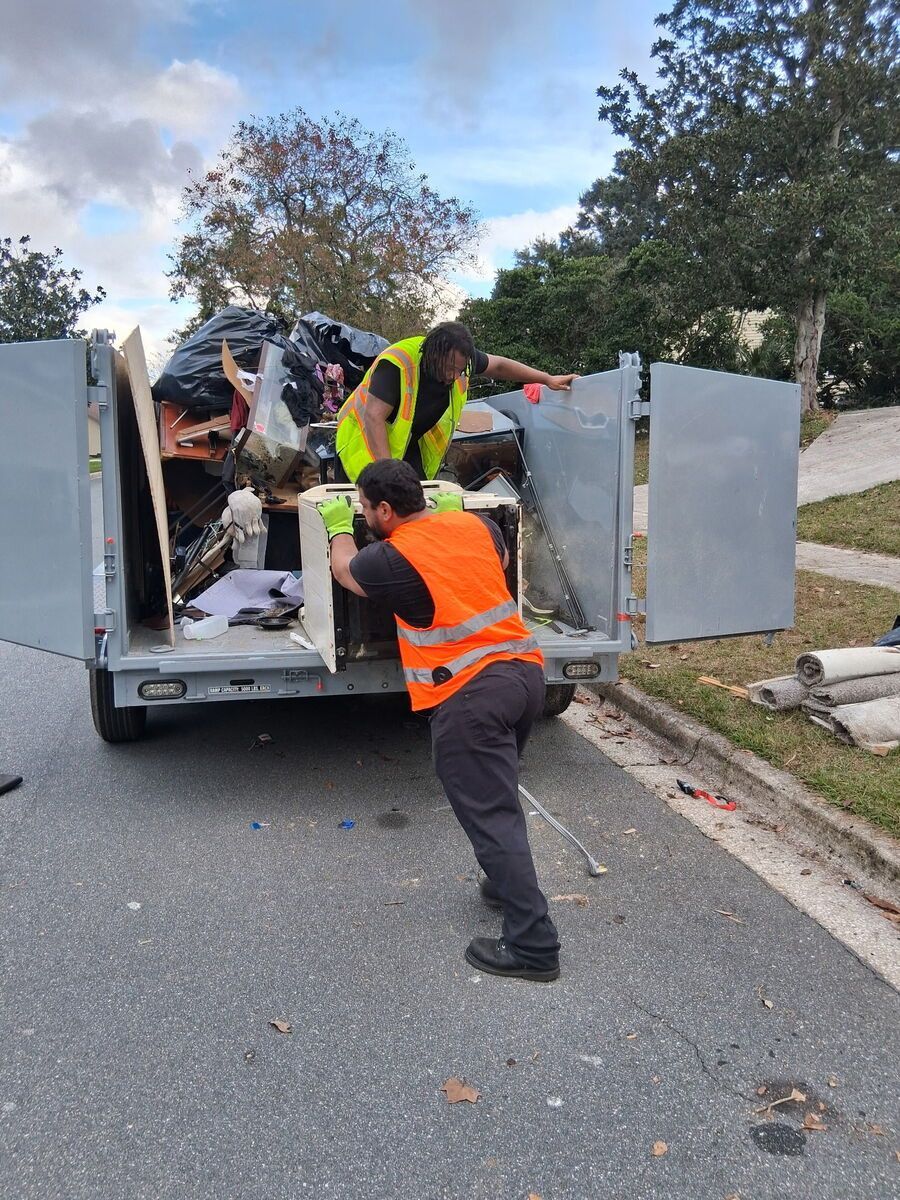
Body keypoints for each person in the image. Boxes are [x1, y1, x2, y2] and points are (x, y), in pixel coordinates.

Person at [318, 459, 561, 982]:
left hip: (471, 695)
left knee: (491, 813)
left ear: (384, 510)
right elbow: (490, 561)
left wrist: (338, 528)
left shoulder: (390, 556)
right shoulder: (479, 525)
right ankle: (502, 885)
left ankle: (533, 945)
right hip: (524, 677)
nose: (362, 514)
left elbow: (345, 572)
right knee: (498, 794)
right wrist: (453, 513)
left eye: (363, 507)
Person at [334, 320, 578, 483]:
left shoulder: (462, 364)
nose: (454, 375)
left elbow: (500, 366)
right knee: (370, 516)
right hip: (362, 442)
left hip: (406, 446)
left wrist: (547, 379)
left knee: (414, 508)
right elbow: (373, 417)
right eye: (449, 368)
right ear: (433, 354)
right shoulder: (399, 362)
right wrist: (388, 476)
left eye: (459, 370)